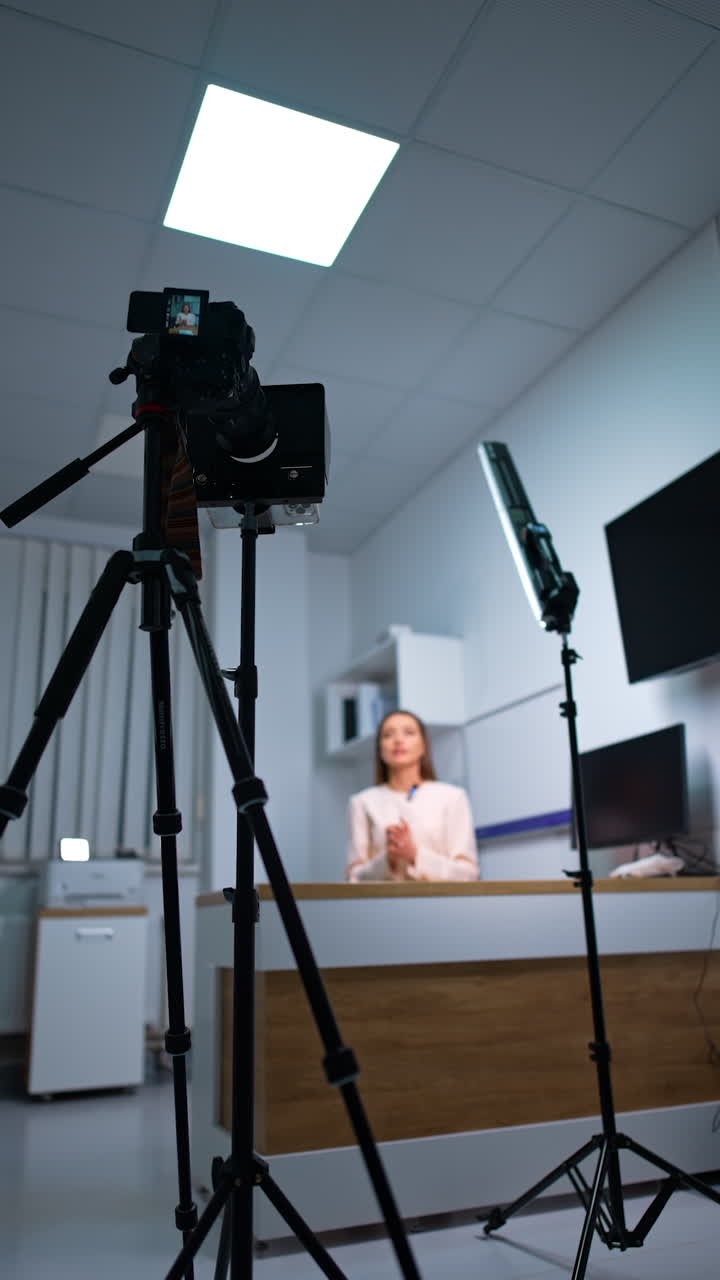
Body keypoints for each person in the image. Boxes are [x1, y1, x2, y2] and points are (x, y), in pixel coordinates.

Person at [346, 709, 479, 882]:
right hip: (381, 907)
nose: (398, 740)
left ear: (424, 746)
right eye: (388, 735)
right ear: (380, 749)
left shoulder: (453, 797)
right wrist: (388, 860)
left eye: (409, 733)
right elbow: (353, 878)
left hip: (442, 906)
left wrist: (415, 855)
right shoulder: (362, 802)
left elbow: (468, 874)